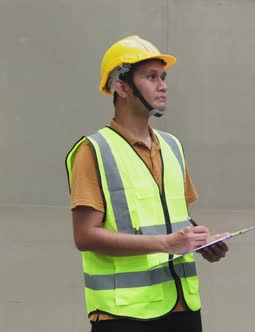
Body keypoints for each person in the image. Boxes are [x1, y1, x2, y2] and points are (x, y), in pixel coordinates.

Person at [65, 35, 228, 332]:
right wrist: (166, 243)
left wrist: (199, 241)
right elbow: (84, 236)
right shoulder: (94, 150)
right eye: (151, 77)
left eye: (163, 77)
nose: (163, 85)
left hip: (183, 306)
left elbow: (172, 215)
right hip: (124, 315)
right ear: (122, 86)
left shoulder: (172, 145)